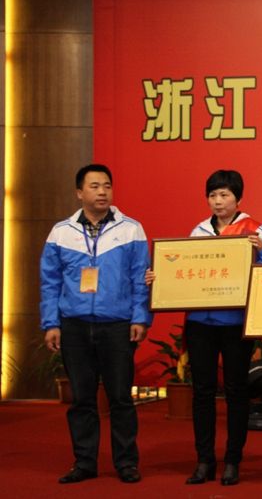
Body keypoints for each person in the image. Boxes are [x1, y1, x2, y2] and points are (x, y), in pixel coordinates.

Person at [147, 170, 262, 486]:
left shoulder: (256, 229)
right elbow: (185, 271)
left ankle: (233, 460)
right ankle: (204, 460)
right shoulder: (199, 230)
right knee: (202, 392)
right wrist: (159, 278)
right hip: (200, 323)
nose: (218, 201)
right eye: (212, 195)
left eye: (224, 195)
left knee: (236, 391)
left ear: (238, 198)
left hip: (235, 323)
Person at [40, 164, 151, 484]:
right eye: (94, 186)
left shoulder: (131, 229)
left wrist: (140, 317)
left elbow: (140, 277)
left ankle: (126, 462)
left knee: (121, 398)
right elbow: (50, 282)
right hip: (74, 324)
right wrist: (51, 323)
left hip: (117, 324)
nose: (102, 192)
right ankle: (84, 462)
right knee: (82, 399)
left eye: (107, 186)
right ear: (79, 193)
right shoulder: (61, 232)